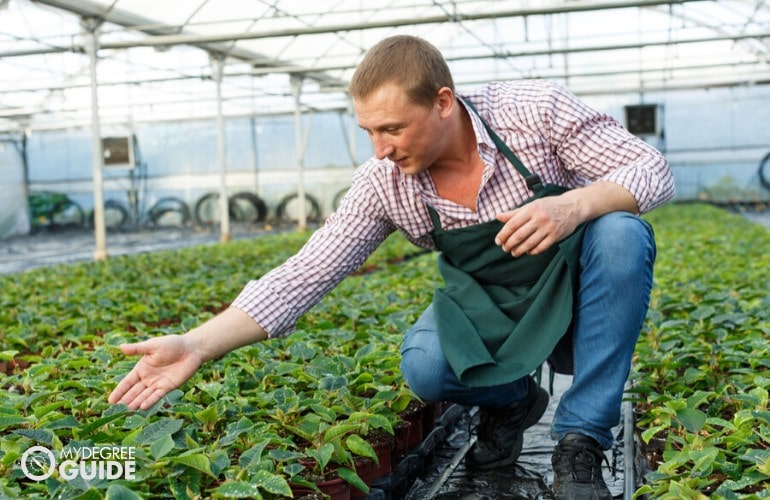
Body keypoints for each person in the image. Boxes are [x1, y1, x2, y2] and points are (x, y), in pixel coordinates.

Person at [109, 35, 674, 499]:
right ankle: (514, 401)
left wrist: (572, 205)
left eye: (393, 128)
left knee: (621, 232)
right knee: (426, 367)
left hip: (574, 283)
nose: (380, 148)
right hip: (490, 299)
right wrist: (198, 344)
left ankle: (580, 440)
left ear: (444, 102)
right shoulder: (385, 184)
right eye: (369, 131)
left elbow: (649, 168)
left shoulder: (533, 113)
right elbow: (306, 274)